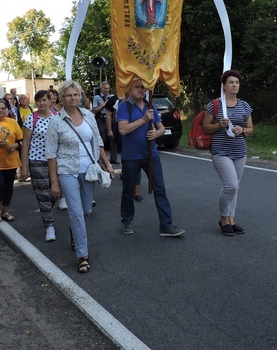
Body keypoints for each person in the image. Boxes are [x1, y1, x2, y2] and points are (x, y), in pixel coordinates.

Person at [46, 80, 115, 273]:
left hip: (89, 170)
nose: (73, 98)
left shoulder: (88, 116)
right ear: (61, 97)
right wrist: (54, 182)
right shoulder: (56, 121)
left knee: (85, 210)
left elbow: (98, 141)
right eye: (69, 95)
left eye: (76, 95)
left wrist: (107, 165)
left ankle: (74, 231)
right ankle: (83, 255)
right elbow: (51, 153)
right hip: (67, 171)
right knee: (76, 213)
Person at [117, 79, 184, 238]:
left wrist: (157, 133)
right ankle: (126, 221)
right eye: (137, 87)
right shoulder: (124, 106)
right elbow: (123, 129)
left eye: (143, 87)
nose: (141, 90)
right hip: (131, 157)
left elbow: (160, 127)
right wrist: (143, 120)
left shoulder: (151, 106)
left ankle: (166, 226)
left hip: (151, 155)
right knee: (129, 190)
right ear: (130, 89)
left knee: (160, 189)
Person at [201, 70, 254, 236]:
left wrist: (243, 129)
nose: (234, 85)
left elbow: (251, 129)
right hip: (221, 151)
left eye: (237, 82)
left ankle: (231, 219)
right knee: (230, 185)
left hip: (239, 151)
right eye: (231, 82)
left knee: (235, 187)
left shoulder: (244, 105)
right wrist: (218, 125)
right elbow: (205, 127)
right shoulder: (215, 104)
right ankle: (223, 218)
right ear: (224, 85)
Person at [21, 89, 58, 241]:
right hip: (37, 161)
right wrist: (24, 167)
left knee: (56, 193)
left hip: (56, 161)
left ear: (51, 101)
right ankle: (50, 226)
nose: (42, 103)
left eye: (44, 100)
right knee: (43, 195)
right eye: (39, 100)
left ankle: (47, 211)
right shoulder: (31, 118)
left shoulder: (58, 117)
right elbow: (25, 144)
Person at [91, 81, 113, 148]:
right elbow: (94, 110)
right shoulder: (97, 97)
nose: (107, 90)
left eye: (108, 88)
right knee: (101, 136)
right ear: (101, 89)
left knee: (112, 136)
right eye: (105, 88)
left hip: (110, 118)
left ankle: (113, 157)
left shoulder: (111, 97)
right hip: (101, 118)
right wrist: (104, 104)